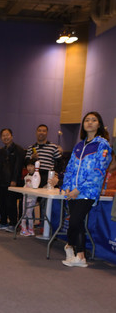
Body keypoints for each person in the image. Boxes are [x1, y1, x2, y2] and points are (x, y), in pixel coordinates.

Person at [61, 111, 112, 268]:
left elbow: (98, 171)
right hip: (73, 192)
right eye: (87, 120)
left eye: (94, 120)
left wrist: (79, 189)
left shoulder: (103, 145)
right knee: (77, 223)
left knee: (76, 221)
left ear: (99, 124)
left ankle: (70, 246)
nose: (90, 122)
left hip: (88, 191)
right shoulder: (78, 146)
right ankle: (80, 256)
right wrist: (67, 187)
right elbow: (69, 168)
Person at [0, 128, 25, 232]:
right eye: (3, 135)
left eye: (7, 135)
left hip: (12, 182)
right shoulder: (2, 151)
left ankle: (13, 224)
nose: (5, 137)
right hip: (2, 181)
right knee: (2, 202)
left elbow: (18, 166)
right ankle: (3, 222)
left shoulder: (18, 150)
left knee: (11, 203)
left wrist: (14, 180)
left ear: (12, 136)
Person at [20, 157, 38, 236]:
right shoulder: (26, 176)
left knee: (29, 213)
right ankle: (23, 228)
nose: (29, 168)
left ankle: (30, 228)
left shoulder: (36, 176)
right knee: (24, 212)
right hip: (25, 196)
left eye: (31, 166)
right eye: (28, 166)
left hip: (32, 197)